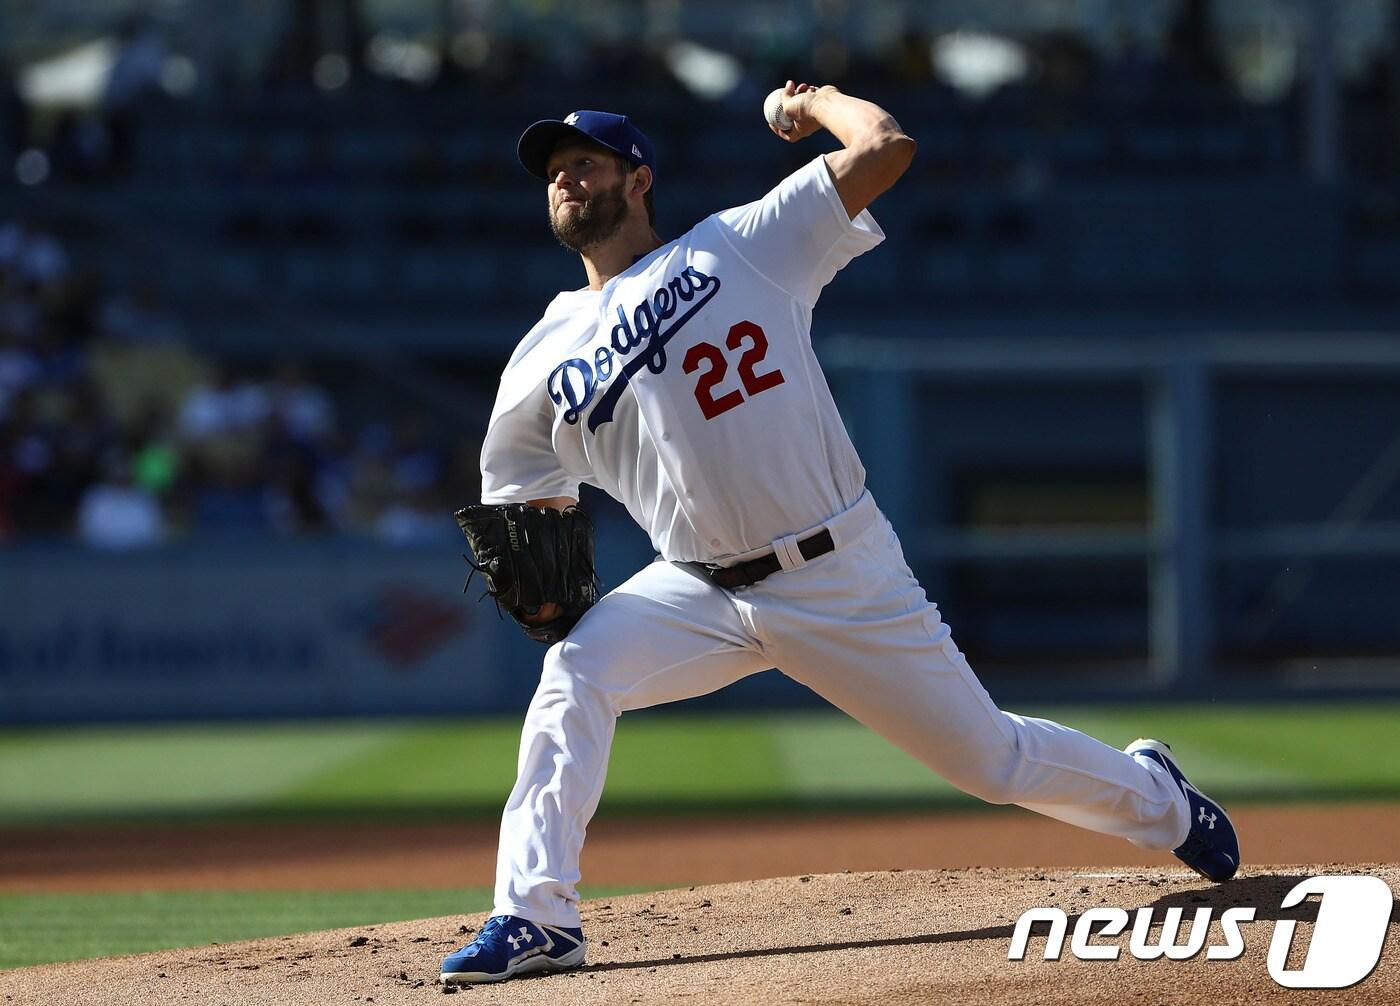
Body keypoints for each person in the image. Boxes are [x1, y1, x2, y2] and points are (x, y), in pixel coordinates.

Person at [441, 82, 1239, 986]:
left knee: (991, 759)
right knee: (573, 675)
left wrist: (816, 103)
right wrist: (539, 562)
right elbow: (522, 496)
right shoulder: (543, 352)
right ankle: (537, 918)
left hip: (835, 568)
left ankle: (1158, 799)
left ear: (638, 179)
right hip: (697, 587)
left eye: (585, 163)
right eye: (553, 172)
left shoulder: (741, 245)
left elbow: (888, 149)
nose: (565, 181)